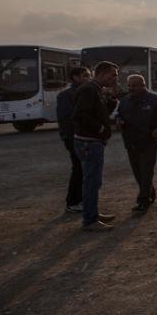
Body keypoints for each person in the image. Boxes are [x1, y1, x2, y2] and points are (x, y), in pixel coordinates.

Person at [72, 61, 119, 232]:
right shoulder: (89, 90)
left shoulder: (95, 90)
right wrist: (99, 128)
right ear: (104, 73)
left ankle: (92, 213)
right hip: (89, 142)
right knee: (91, 182)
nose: (114, 79)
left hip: (92, 141)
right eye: (113, 75)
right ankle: (90, 220)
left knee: (94, 181)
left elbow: (102, 113)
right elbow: (80, 114)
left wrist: (112, 99)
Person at [116, 74, 157, 214]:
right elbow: (119, 114)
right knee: (138, 173)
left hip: (148, 142)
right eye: (129, 85)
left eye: (134, 85)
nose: (131, 88)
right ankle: (149, 192)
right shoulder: (124, 101)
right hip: (131, 142)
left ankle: (142, 201)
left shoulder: (154, 100)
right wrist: (118, 120)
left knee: (146, 172)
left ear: (143, 85)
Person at [56, 66, 90, 214]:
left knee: (83, 169)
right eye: (85, 76)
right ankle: (73, 202)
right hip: (73, 137)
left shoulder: (84, 92)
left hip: (82, 136)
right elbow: (66, 118)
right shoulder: (66, 95)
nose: (88, 78)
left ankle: (80, 200)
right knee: (78, 168)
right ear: (75, 77)